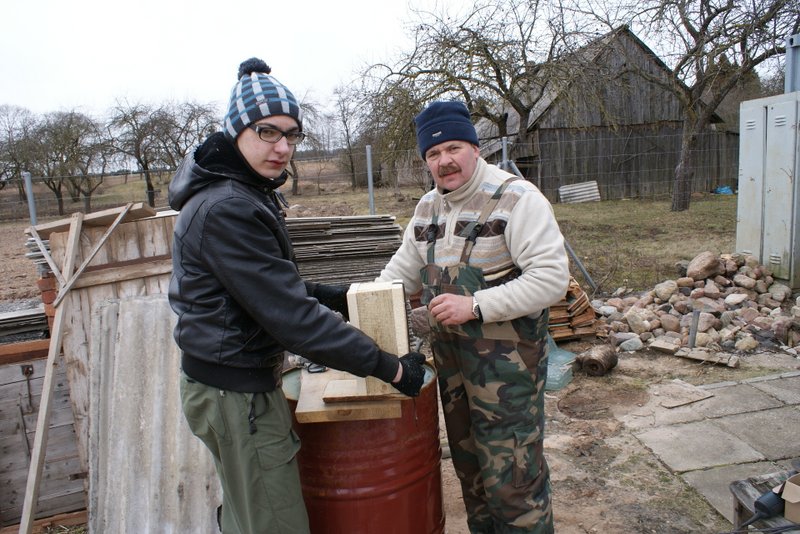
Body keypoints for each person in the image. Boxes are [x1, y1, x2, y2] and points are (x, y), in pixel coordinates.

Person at [167, 57, 426, 534]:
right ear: (236, 131)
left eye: (292, 134)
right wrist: (390, 368)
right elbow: (290, 318)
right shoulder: (228, 207)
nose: (283, 147)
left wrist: (334, 295)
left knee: (249, 513)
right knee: (274, 523)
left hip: (228, 383)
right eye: (267, 131)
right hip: (236, 395)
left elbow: (262, 287)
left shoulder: (242, 190)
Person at [376, 101, 570, 533]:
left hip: (510, 378)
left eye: (454, 148)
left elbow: (552, 280)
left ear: (475, 148)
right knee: (473, 474)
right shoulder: (427, 209)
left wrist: (475, 305)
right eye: (433, 153)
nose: (444, 160)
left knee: (514, 481)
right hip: (455, 373)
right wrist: (363, 305)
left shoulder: (516, 198)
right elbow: (398, 273)